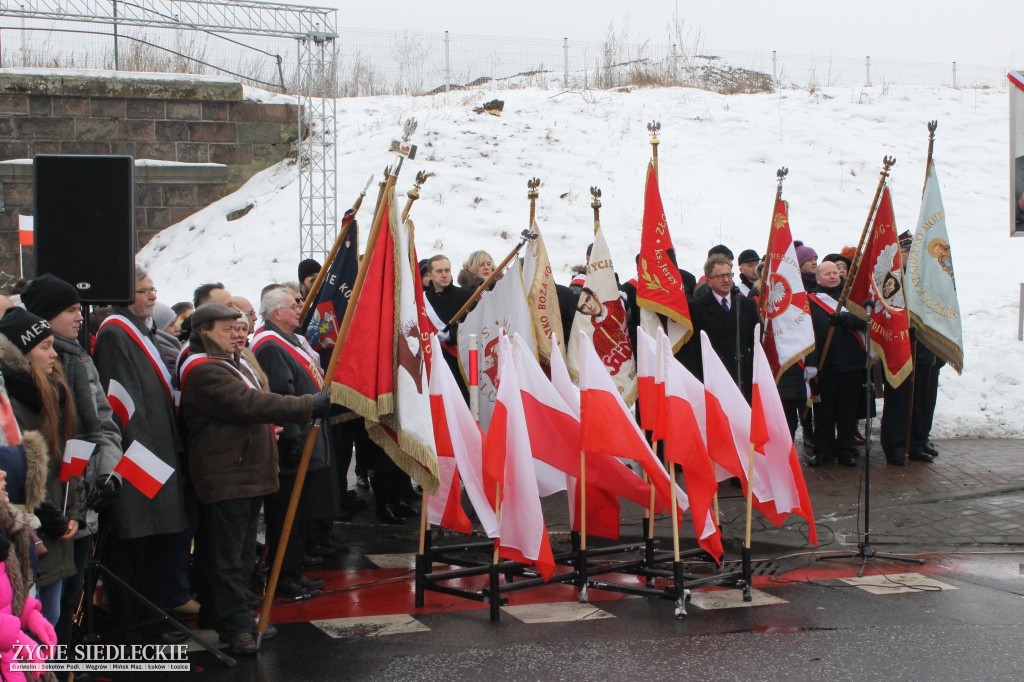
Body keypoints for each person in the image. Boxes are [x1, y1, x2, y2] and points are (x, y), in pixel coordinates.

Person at [179, 303, 329, 655]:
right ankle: (235, 627)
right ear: (203, 331)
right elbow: (251, 403)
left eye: (239, 327)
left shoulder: (234, 362)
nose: (237, 333)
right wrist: (308, 404)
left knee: (241, 556)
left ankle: (221, 616)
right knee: (228, 558)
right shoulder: (204, 370)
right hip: (228, 476)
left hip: (247, 473)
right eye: (226, 328)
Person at [20, 274, 122, 647]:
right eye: (71, 310)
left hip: (83, 497)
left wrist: (109, 474)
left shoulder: (80, 357)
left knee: (68, 600)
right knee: (48, 608)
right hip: (54, 506)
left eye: (79, 309)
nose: (80, 318)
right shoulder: (34, 369)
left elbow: (103, 422)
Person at [92, 268, 188, 638]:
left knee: (153, 549)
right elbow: (122, 402)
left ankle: (150, 618)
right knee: (136, 550)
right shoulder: (117, 332)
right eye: (143, 291)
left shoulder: (138, 330)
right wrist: (144, 461)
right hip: (141, 459)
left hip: (157, 452)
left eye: (153, 289)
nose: (151, 297)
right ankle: (136, 627)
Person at [0, 308, 79, 626]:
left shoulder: (54, 389)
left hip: (58, 513)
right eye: (45, 346)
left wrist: (72, 507)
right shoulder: (12, 399)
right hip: (28, 523)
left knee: (54, 615)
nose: (54, 353)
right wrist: (52, 517)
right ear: (22, 351)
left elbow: (67, 451)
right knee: (32, 618)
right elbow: (18, 465)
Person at [251, 288, 331, 599]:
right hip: (290, 446)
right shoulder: (271, 346)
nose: (299, 310)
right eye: (291, 306)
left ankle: (294, 571)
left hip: (303, 436)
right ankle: (285, 576)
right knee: (285, 514)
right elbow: (282, 395)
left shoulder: (287, 340)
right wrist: (296, 441)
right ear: (275, 313)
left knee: (297, 513)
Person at [805, 261, 866, 467]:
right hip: (825, 364)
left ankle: (845, 450)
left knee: (847, 411)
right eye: (827, 274)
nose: (832, 276)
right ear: (818, 278)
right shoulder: (811, 301)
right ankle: (823, 450)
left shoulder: (851, 298)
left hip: (852, 363)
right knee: (824, 411)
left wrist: (847, 319)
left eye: (834, 273)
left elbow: (866, 321)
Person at [679, 255, 759, 401]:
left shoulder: (747, 305)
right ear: (709, 281)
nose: (727, 280)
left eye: (729, 275)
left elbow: (755, 344)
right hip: (712, 378)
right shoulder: (697, 308)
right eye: (721, 276)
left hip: (742, 377)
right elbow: (690, 350)